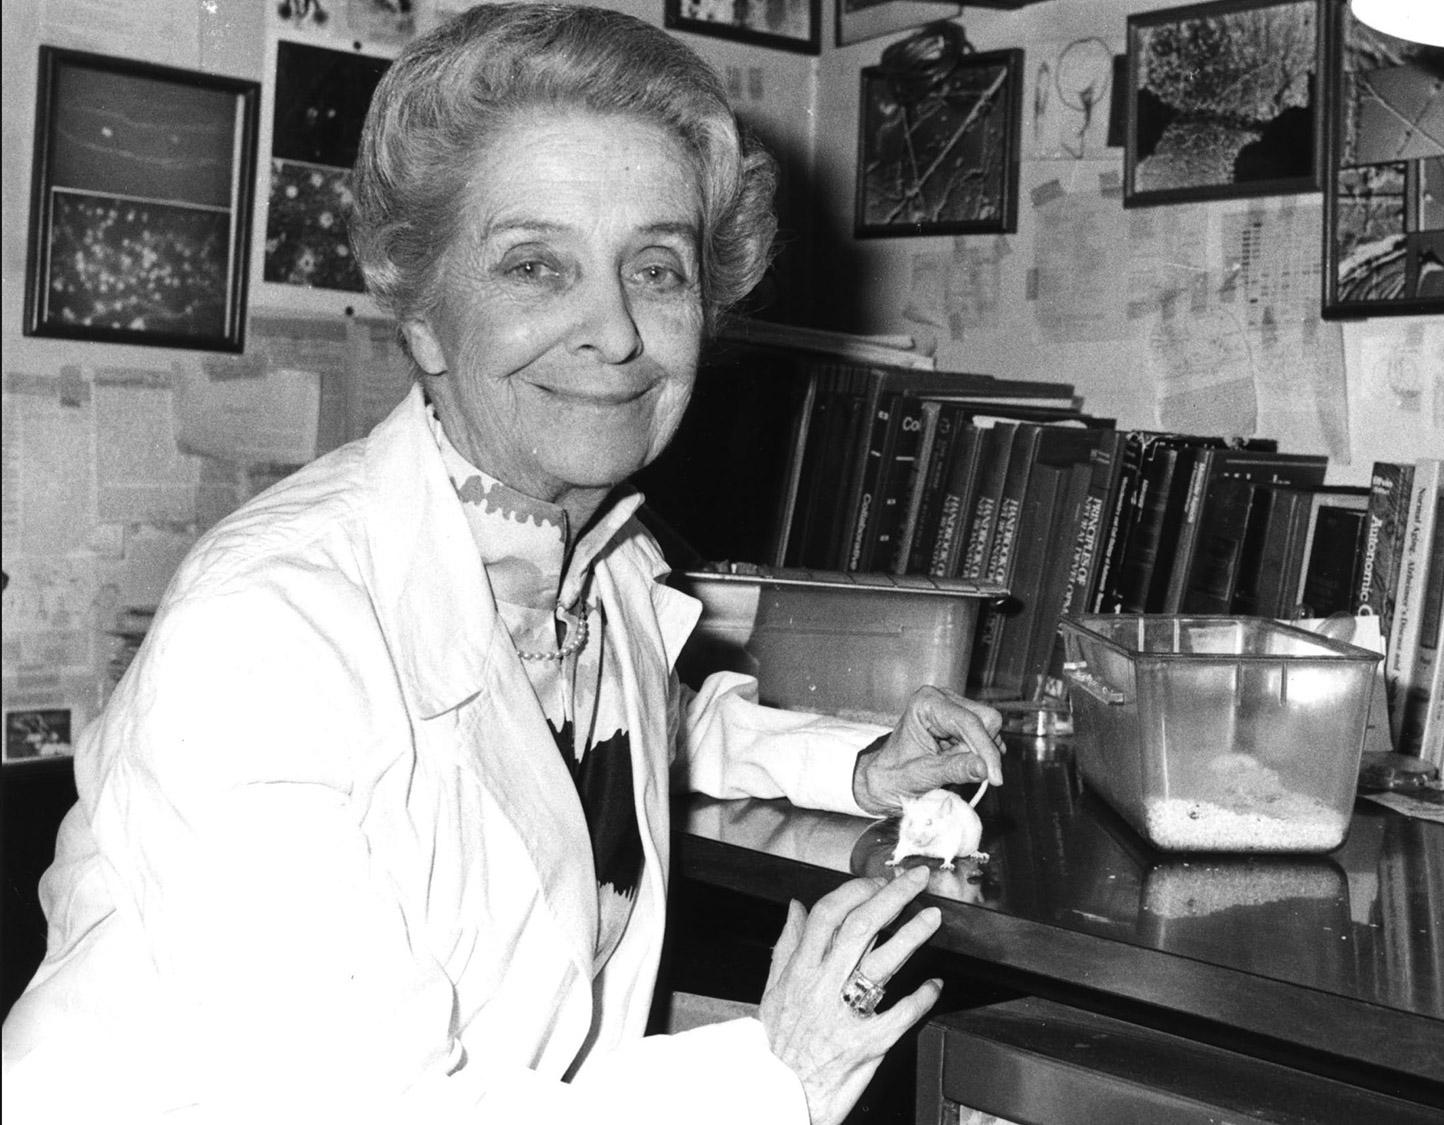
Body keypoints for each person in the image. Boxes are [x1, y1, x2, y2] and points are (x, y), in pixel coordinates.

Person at [0, 5, 1003, 1122]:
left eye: (656, 268)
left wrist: (857, 768)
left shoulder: (597, 561)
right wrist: (777, 1076)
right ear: (425, 315)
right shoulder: (265, 628)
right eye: (535, 266)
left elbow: (599, 728)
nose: (615, 331)